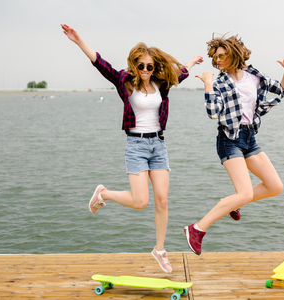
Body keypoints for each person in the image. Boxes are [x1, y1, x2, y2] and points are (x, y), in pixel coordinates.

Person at [61, 24, 202, 272]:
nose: (146, 70)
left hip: (158, 144)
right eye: (141, 66)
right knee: (140, 202)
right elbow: (100, 63)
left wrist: (191, 62)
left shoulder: (161, 82)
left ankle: (159, 250)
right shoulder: (124, 82)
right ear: (134, 65)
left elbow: (179, 74)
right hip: (135, 145)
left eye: (149, 66)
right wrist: (79, 40)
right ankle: (103, 194)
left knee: (162, 201)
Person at [185, 34, 284, 255]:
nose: (218, 62)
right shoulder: (219, 82)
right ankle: (196, 229)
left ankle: (234, 204)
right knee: (244, 193)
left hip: (249, 137)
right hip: (229, 140)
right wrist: (207, 84)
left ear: (234, 54)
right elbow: (212, 113)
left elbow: (282, 90)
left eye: (222, 56)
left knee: (275, 186)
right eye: (216, 58)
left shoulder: (253, 76)